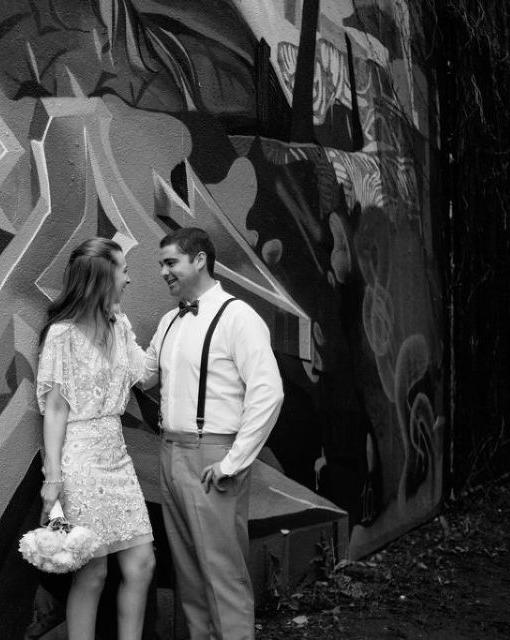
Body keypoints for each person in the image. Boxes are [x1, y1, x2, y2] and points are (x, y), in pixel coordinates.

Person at [141, 227, 284, 640]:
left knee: (223, 575)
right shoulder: (169, 320)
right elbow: (145, 374)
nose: (163, 272)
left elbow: (269, 392)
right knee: (188, 575)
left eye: (171, 263)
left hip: (212, 457)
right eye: (161, 265)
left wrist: (234, 461)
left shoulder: (238, 317)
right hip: (170, 455)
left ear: (199, 260)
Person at [35, 237, 155, 640]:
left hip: (117, 455)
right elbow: (54, 410)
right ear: (102, 276)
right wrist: (53, 477)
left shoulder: (119, 326)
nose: (129, 278)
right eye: (123, 270)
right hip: (80, 460)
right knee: (92, 571)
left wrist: (181, 327)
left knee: (141, 562)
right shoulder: (62, 336)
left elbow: (146, 372)